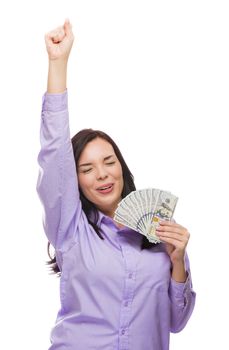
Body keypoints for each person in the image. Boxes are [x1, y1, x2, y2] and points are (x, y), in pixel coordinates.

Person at [36, 19, 196, 350]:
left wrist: (178, 260)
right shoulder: (70, 230)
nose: (103, 174)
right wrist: (58, 64)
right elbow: (54, 155)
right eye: (87, 169)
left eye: (109, 162)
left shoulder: (159, 231)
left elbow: (175, 323)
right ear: (74, 181)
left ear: (121, 167)